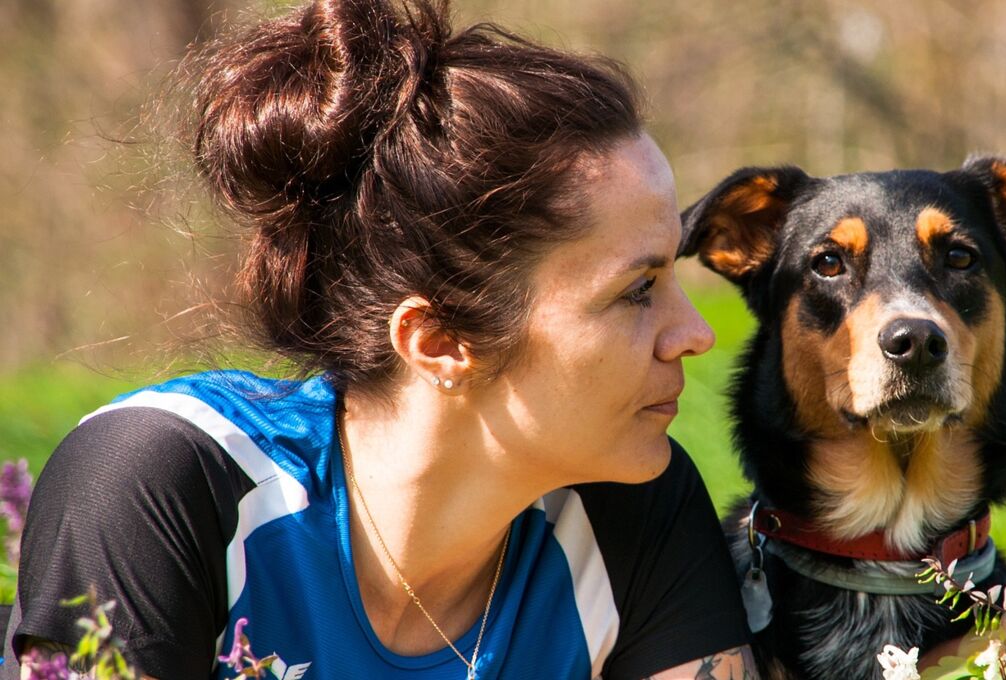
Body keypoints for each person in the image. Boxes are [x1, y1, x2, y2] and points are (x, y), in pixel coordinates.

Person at [3, 0, 756, 677]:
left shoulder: (633, 508)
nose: (693, 335)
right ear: (438, 340)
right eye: (636, 291)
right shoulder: (162, 485)